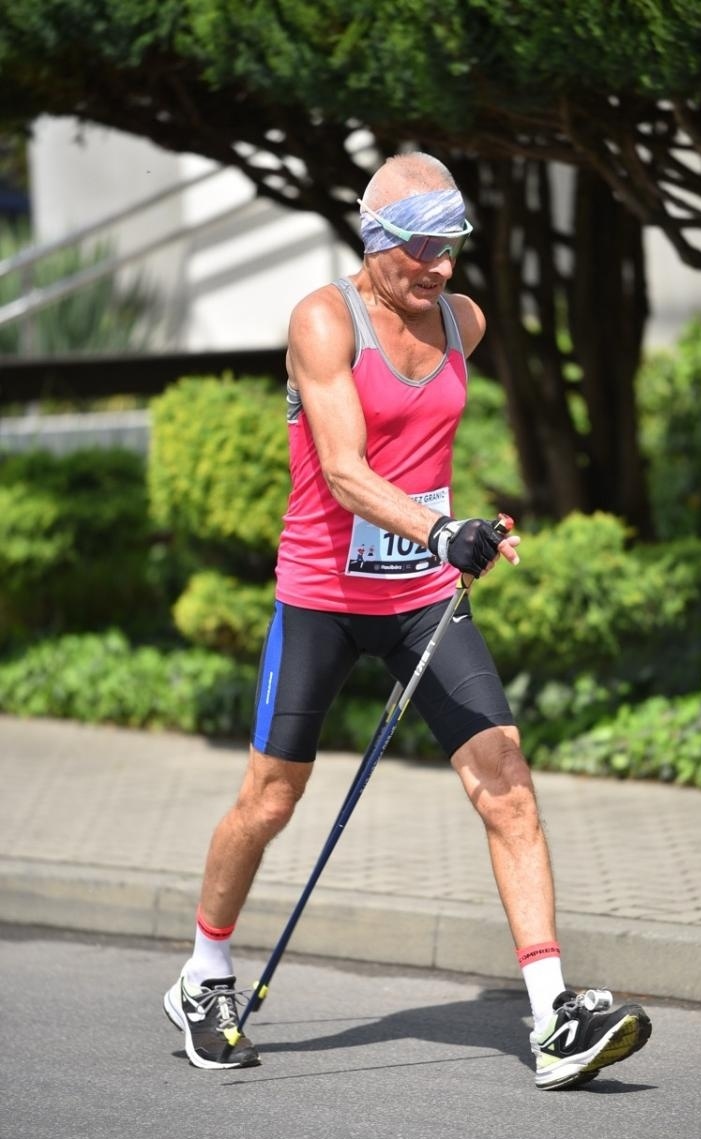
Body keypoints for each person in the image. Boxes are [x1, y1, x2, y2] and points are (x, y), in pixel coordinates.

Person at [163, 151, 651, 1089]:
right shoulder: (323, 318)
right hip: (322, 595)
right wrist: (438, 527)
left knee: (504, 778)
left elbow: (428, 450)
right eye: (420, 249)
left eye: (451, 248)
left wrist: (469, 532)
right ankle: (204, 972)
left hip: (421, 595)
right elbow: (344, 470)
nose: (438, 269)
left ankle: (552, 1015)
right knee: (269, 799)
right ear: (375, 240)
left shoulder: (462, 320)